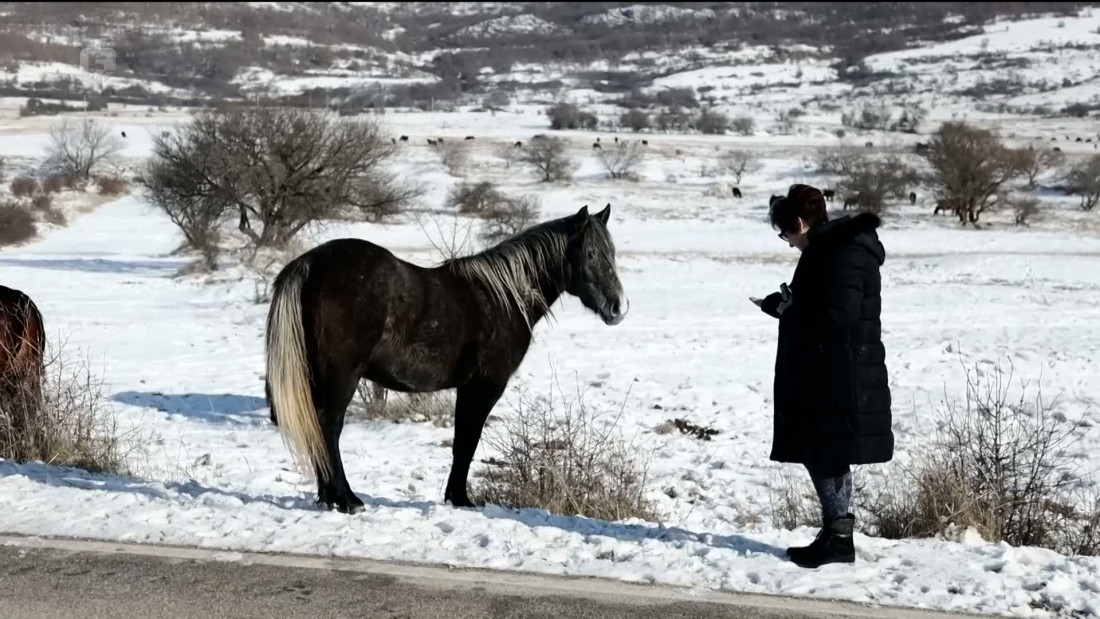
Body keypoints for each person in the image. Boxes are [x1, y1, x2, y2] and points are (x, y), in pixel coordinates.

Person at [754, 184, 893, 569]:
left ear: (800, 222)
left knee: (825, 452)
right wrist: (783, 305)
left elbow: (838, 318)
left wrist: (789, 311)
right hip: (833, 368)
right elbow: (825, 307)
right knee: (827, 451)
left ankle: (837, 538)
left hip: (840, 373)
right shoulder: (833, 248)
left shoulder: (840, 252)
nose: (787, 243)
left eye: (786, 234)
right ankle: (835, 533)